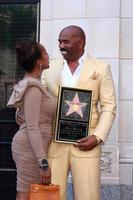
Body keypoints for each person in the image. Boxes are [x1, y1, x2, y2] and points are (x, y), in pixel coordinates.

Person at [41, 25, 116, 200]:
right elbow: (38, 99)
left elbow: (109, 106)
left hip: (87, 143)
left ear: (81, 43)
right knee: (50, 196)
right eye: (59, 41)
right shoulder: (49, 67)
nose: (61, 46)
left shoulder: (101, 68)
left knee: (88, 196)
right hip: (55, 143)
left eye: (65, 41)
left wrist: (97, 137)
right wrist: (22, 113)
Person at [7, 42, 56, 200]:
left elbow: (29, 113)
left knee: (28, 193)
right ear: (38, 61)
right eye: (46, 53)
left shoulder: (33, 84)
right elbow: (33, 127)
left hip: (33, 146)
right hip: (30, 148)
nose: (49, 56)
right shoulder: (33, 87)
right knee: (26, 194)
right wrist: (43, 163)